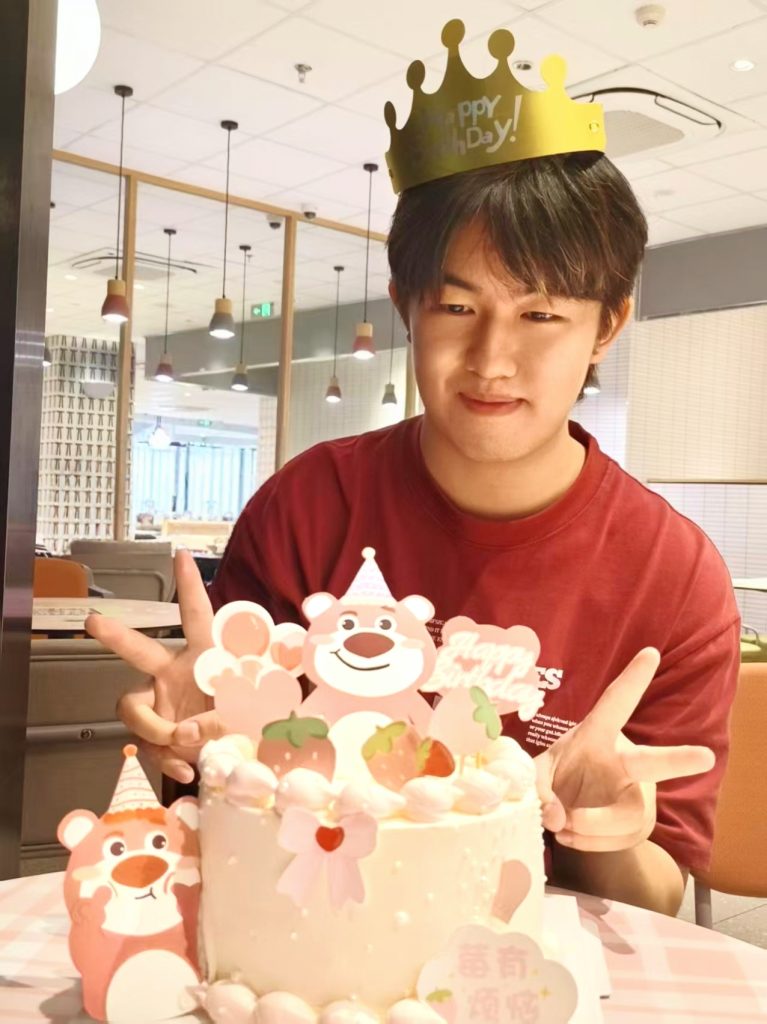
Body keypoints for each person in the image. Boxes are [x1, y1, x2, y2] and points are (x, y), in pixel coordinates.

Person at [87, 20, 740, 918]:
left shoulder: (673, 576)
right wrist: (206, 727)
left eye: (541, 315)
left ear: (607, 324)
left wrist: (607, 830)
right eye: (457, 307)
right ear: (406, 305)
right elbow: (217, 796)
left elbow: (658, 893)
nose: (492, 360)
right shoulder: (308, 506)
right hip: (308, 939)